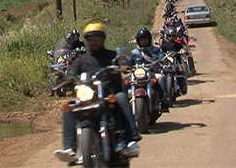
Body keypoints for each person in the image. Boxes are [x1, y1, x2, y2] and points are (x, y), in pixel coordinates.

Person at [54, 23, 141, 164]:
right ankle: (70, 148)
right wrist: (65, 78)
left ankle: (131, 141)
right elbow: (72, 72)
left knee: (121, 97)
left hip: (108, 94)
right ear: (87, 40)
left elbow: (122, 60)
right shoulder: (81, 59)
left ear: (103, 39)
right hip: (88, 96)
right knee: (68, 107)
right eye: (91, 38)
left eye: (97, 38)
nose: (94, 41)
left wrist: (123, 64)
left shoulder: (111, 56)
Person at [125, 27, 170, 111]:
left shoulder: (156, 50)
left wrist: (163, 60)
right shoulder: (134, 52)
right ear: (138, 41)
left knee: (161, 78)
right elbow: (128, 61)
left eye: (146, 39)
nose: (144, 41)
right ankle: (124, 105)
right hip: (138, 74)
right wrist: (124, 64)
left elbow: (162, 56)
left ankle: (164, 101)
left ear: (149, 40)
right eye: (142, 40)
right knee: (125, 82)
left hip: (152, 73)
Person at [160, 27, 187, 95]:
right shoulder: (164, 45)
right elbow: (159, 52)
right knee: (159, 74)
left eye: (173, 36)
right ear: (167, 36)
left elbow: (182, 50)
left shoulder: (178, 45)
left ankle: (183, 87)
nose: (171, 37)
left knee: (181, 72)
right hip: (166, 64)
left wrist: (183, 51)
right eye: (169, 36)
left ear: (176, 36)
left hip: (176, 63)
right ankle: (160, 91)